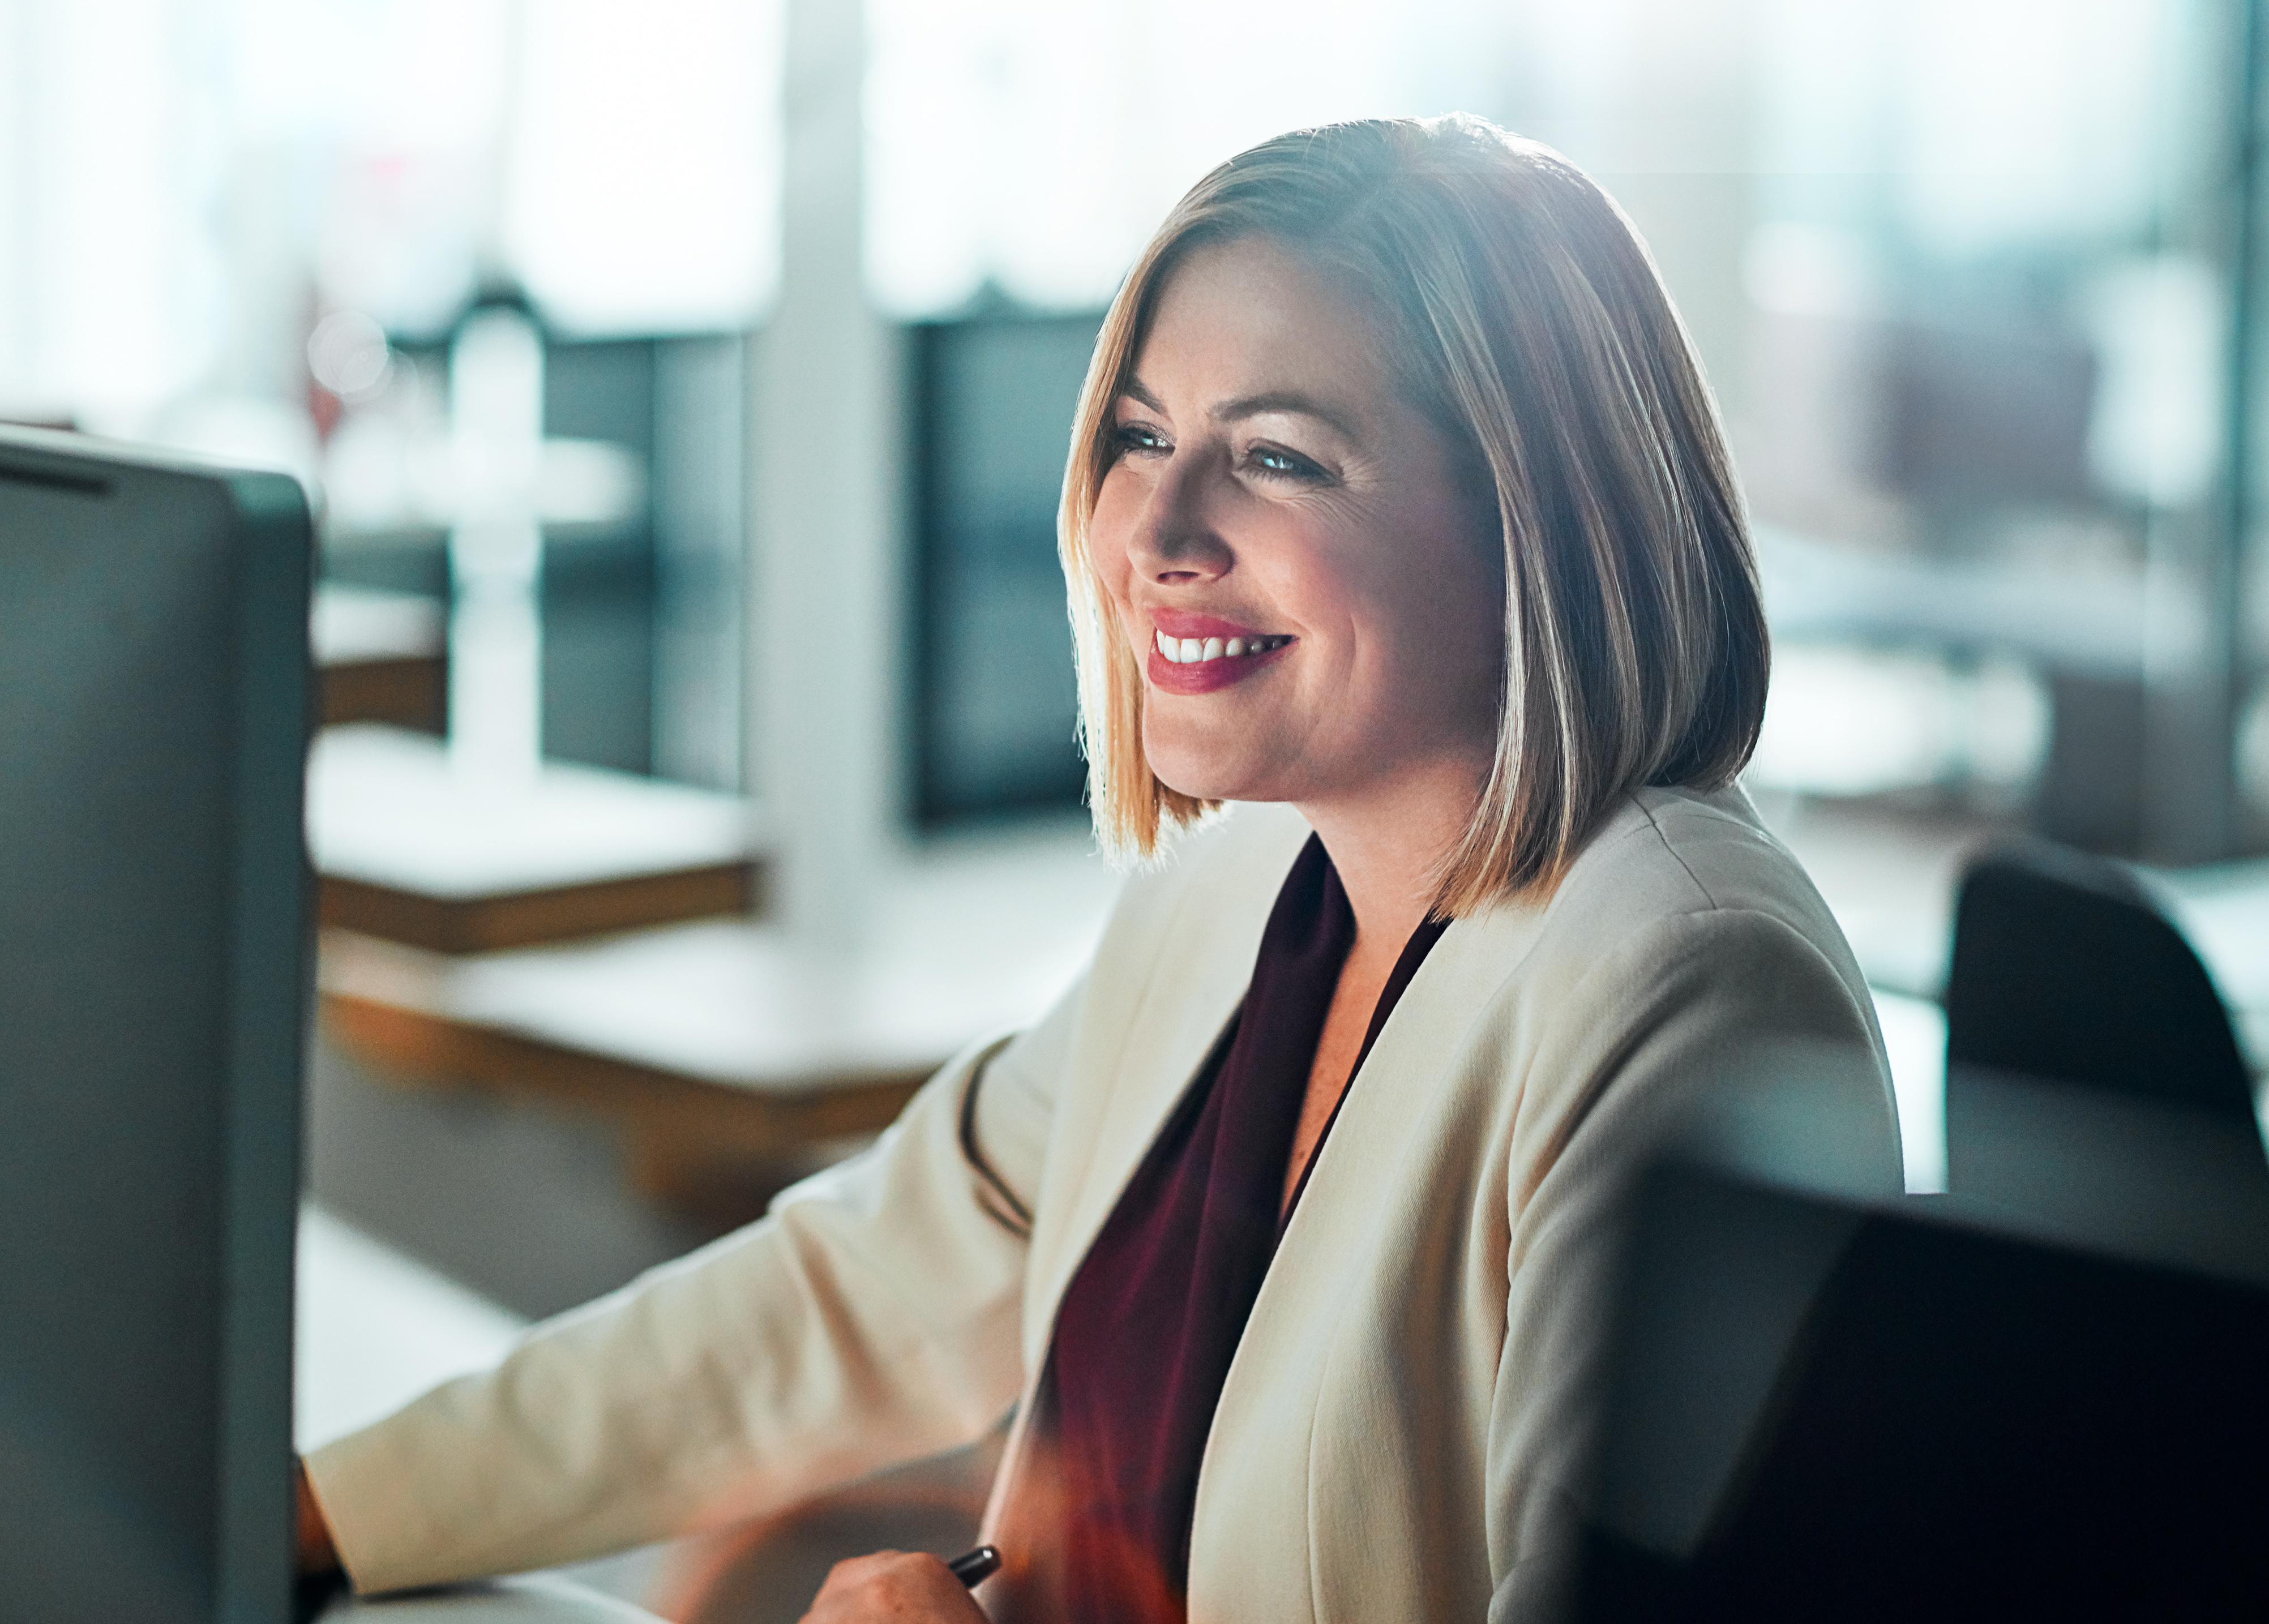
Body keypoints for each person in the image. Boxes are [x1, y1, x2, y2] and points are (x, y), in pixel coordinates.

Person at [297, 115, 1899, 1622]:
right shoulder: (1248, 885)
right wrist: (320, 1511)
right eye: (1142, 435)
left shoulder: (1684, 979)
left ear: (1531, 513)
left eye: (1277, 456)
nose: (1158, 530)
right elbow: (855, 1288)